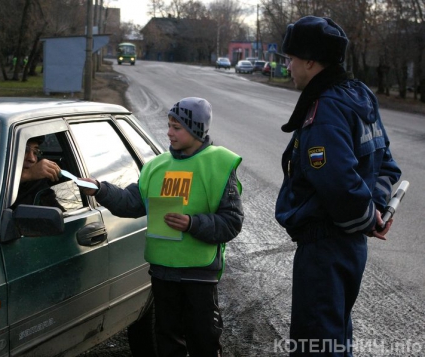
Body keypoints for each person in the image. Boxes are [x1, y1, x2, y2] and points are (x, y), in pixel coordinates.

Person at [275, 16, 402, 356]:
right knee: (334, 340)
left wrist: (365, 215)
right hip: (348, 247)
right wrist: (373, 211)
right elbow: (385, 164)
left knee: (316, 344)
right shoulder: (358, 95)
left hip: (323, 250)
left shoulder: (326, 107)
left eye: (291, 58)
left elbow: (338, 180)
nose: (288, 66)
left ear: (311, 61)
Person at [78, 97, 244, 357]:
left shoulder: (219, 164)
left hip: (198, 275)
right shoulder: (156, 166)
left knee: (204, 341)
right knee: (167, 341)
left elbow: (232, 222)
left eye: (177, 127)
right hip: (163, 274)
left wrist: (192, 223)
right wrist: (100, 190)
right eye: (169, 125)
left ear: (197, 129)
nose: (169, 132)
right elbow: (131, 203)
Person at [12, 136, 63, 210]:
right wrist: (28, 174)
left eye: (35, 152)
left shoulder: (39, 182)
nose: (32, 159)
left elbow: (57, 212)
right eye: (24, 150)